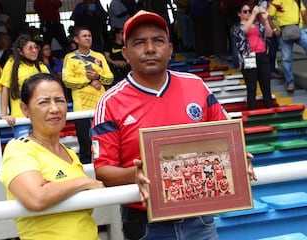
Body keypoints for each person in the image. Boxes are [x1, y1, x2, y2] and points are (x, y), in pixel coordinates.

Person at [91, 10, 257, 240]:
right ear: (126, 53)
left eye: (158, 40)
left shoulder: (196, 86)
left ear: (170, 49)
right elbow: (103, 170)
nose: (150, 48)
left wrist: (237, 160)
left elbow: (226, 139)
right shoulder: (109, 102)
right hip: (145, 224)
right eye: (139, 42)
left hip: (200, 219)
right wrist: (140, 173)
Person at [0, 73, 104, 239]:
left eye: (60, 100)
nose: (54, 108)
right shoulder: (19, 149)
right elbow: (36, 198)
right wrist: (83, 182)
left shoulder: (69, 154)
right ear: (25, 109)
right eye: (43, 102)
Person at [62, 26, 113, 164]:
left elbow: (110, 78)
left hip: (100, 106)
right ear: (76, 39)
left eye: (89, 35)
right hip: (82, 108)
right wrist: (89, 80)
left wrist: (99, 77)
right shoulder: (70, 57)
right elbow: (67, 81)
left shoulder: (99, 56)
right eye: (84, 36)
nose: (88, 38)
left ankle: (106, 166)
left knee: (104, 139)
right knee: (85, 142)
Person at [0, 34, 49, 137]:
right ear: (20, 51)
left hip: (41, 116)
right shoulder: (11, 64)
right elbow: (5, 90)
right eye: (30, 48)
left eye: (36, 47)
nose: (34, 50)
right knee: (25, 149)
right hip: (20, 117)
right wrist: (4, 114)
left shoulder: (41, 67)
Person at [234, 3, 274, 110]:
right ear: (239, 14)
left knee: (266, 86)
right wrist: (253, 15)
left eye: (249, 11)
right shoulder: (237, 27)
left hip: (262, 55)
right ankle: (253, 111)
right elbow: (242, 33)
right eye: (245, 11)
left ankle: (270, 109)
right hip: (248, 57)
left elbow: (269, 34)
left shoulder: (258, 25)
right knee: (251, 88)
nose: (248, 13)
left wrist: (265, 20)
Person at [268, 0, 307, 92]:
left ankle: (290, 83)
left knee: (286, 58)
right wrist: (274, 29)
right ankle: (290, 83)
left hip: (299, 29)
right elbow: (269, 17)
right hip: (283, 31)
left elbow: (303, 13)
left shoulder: (297, 0)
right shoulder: (276, 2)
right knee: (286, 58)